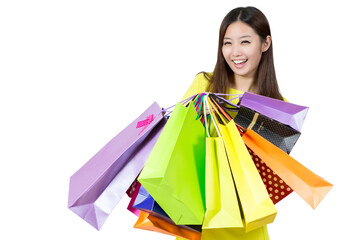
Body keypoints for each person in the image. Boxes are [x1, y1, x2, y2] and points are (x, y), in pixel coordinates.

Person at [182, 6, 284, 103]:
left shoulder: (281, 108)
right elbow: (175, 121)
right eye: (227, 43)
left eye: (245, 42)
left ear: (266, 43)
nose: (235, 53)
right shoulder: (204, 84)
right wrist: (196, 111)